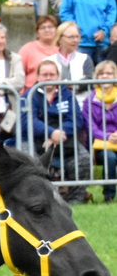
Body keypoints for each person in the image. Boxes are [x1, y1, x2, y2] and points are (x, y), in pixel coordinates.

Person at [23, 60, 90, 197]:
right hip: (36, 140)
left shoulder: (67, 94)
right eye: (44, 74)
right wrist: (51, 133)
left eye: (52, 74)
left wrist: (59, 135)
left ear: (58, 76)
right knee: (28, 160)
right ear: (38, 76)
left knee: (84, 158)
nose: (48, 78)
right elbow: (28, 120)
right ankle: (36, 198)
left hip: (65, 139)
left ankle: (76, 198)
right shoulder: (30, 95)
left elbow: (76, 119)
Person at [59, 0, 115, 64]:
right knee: (81, 75)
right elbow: (65, 12)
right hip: (80, 42)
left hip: (101, 42)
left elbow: (112, 12)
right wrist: (75, 29)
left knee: (102, 74)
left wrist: (105, 30)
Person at [85, 73, 117, 202]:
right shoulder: (90, 100)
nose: (105, 76)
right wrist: (107, 136)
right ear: (96, 77)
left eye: (109, 73)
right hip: (101, 144)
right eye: (102, 73)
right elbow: (90, 126)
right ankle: (109, 195)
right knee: (109, 157)